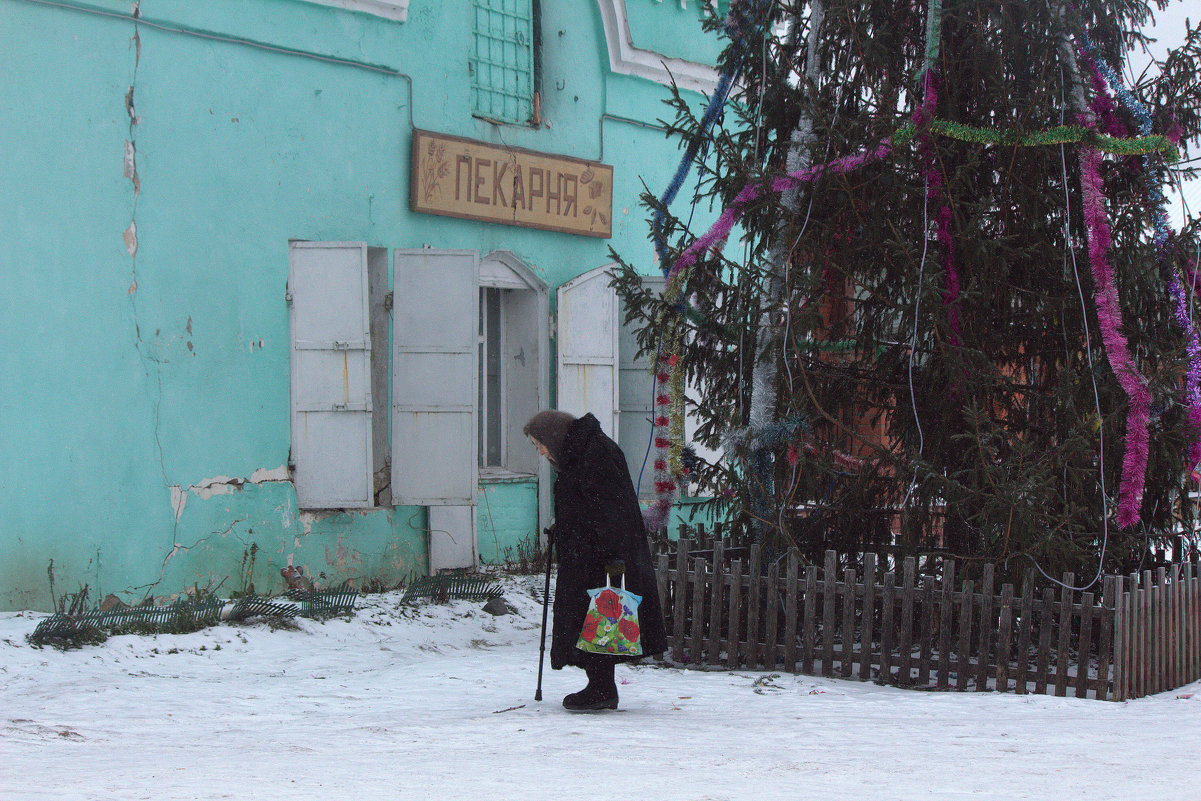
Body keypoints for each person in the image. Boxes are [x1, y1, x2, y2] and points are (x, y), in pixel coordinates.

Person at [523, 409, 667, 711]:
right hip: (586, 554)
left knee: (600, 618)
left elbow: (611, 509)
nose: (541, 451)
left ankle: (602, 688)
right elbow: (584, 502)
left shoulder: (596, 453)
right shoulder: (580, 453)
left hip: (601, 557)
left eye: (540, 444)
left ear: (553, 436)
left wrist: (613, 559)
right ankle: (599, 685)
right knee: (589, 618)